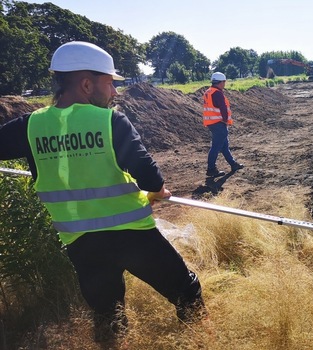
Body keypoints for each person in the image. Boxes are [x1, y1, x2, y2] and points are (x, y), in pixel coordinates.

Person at [0, 41, 207, 343]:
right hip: (132, 236)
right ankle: (204, 341)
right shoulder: (110, 122)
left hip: (82, 244)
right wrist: (159, 190)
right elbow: (150, 178)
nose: (114, 93)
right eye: (110, 84)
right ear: (86, 84)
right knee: (187, 292)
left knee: (108, 315)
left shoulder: (28, 127)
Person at [203, 72, 244, 177]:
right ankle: (211, 169)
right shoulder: (217, 93)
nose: (224, 84)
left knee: (224, 146)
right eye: (224, 82)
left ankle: (233, 164)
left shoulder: (209, 91)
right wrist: (226, 120)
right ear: (220, 82)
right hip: (218, 124)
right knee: (216, 147)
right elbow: (223, 108)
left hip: (212, 123)